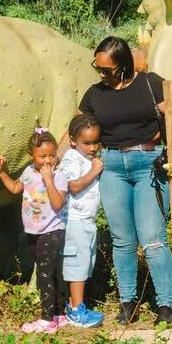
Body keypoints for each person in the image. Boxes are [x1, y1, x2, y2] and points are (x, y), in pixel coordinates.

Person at [79, 36, 172, 325]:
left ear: (123, 65)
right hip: (112, 166)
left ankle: (166, 305)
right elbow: (78, 126)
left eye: (107, 70)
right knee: (122, 239)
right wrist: (50, 157)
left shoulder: (150, 83)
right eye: (98, 68)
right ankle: (128, 302)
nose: (101, 74)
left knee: (152, 238)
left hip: (148, 164)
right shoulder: (95, 93)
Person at [0, 128, 69, 334]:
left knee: (45, 273)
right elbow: (15, 189)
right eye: (42, 156)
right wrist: (2, 173)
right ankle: (59, 314)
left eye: (52, 156)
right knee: (49, 270)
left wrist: (48, 180)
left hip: (52, 230)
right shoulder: (28, 172)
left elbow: (57, 203)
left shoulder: (59, 176)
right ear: (31, 156)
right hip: (33, 231)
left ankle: (47, 320)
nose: (48, 161)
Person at [57, 113, 105, 327]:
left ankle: (74, 305)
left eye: (96, 142)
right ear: (73, 140)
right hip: (74, 221)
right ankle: (76, 310)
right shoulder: (71, 158)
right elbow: (72, 186)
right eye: (87, 143)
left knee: (85, 263)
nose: (92, 147)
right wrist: (94, 172)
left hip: (86, 221)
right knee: (77, 265)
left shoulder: (86, 158)